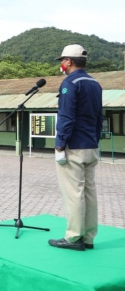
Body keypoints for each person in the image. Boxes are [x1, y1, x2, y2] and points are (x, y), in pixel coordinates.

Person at [49, 44, 103, 251]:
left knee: (74, 193)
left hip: (73, 146)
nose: (61, 64)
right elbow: (99, 117)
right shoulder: (95, 83)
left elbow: (67, 117)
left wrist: (60, 144)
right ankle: (88, 237)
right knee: (89, 192)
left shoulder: (69, 83)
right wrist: (95, 140)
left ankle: (73, 237)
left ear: (69, 61)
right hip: (91, 145)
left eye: (62, 60)